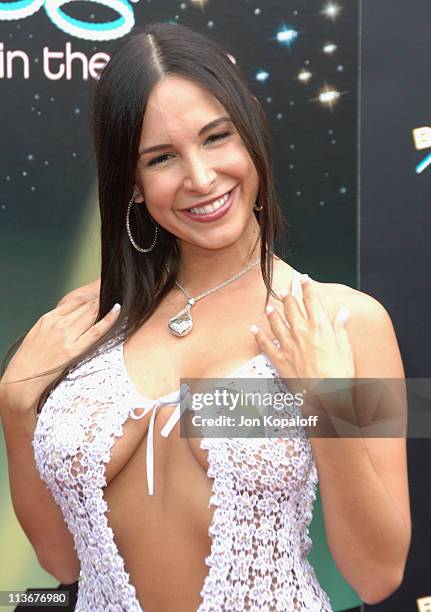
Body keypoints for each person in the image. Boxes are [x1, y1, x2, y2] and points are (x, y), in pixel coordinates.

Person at [0, 22, 411, 612]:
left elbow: (378, 574)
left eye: (216, 138)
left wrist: (325, 401)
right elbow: (64, 563)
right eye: (162, 157)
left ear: (250, 138)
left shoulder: (348, 323)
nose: (200, 177)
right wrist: (17, 414)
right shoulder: (84, 322)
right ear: (134, 183)